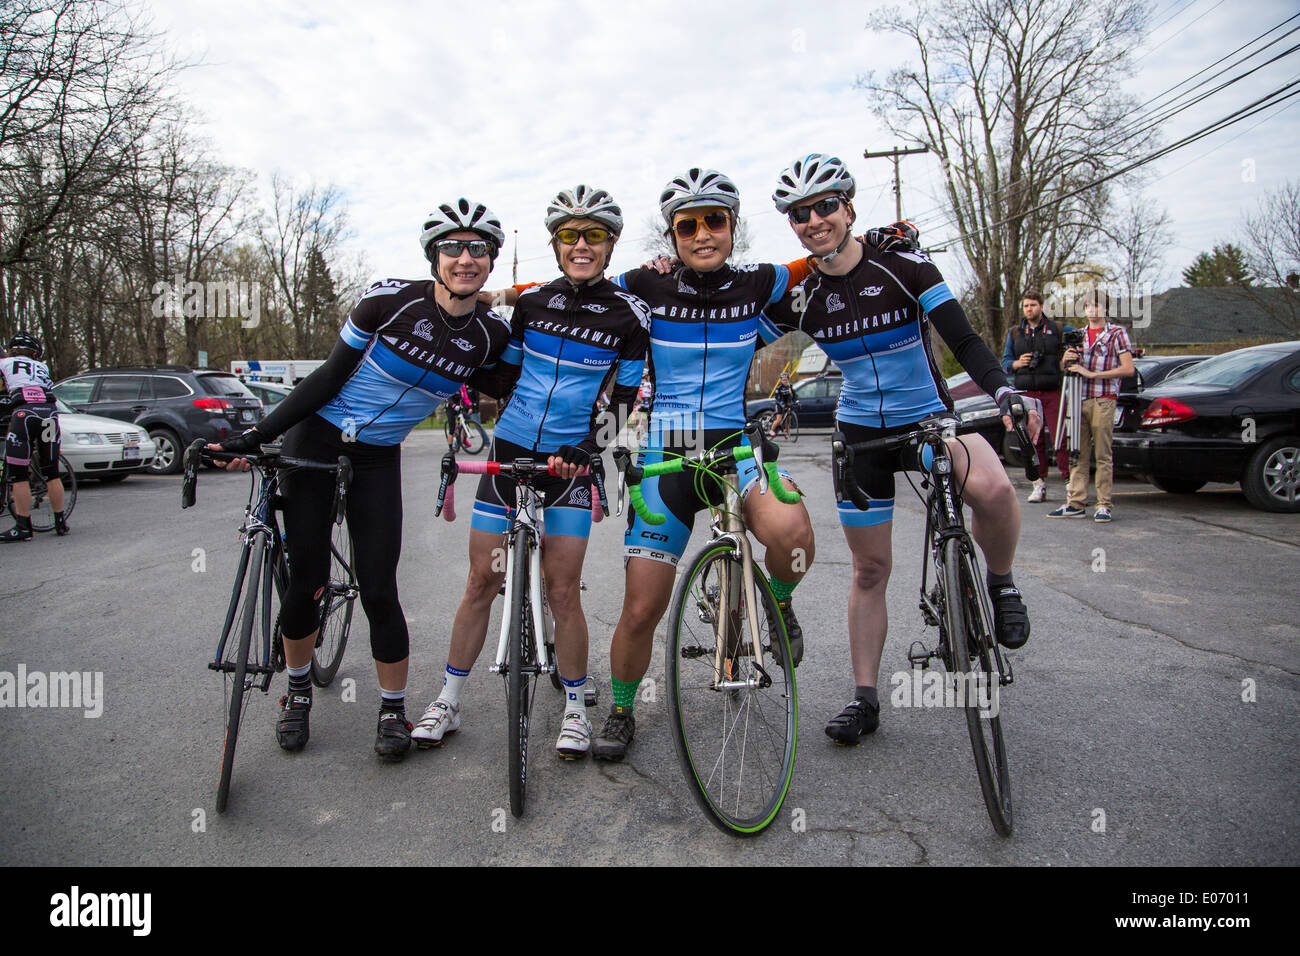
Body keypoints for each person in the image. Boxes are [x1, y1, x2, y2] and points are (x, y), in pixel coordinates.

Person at [491, 168, 819, 762]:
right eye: (687, 225)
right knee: (642, 608)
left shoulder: (758, 281)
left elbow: (818, 261)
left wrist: (884, 240)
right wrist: (498, 296)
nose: (701, 234)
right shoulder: (641, 284)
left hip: (732, 449)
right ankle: (620, 709)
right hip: (666, 454)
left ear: (732, 227)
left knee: (794, 532)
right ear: (672, 234)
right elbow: (572, 282)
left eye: (713, 221)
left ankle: (780, 603)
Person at [213, 198, 515, 761]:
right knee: (305, 580)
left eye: (478, 248)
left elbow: (535, 358)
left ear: (491, 261)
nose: (464, 258)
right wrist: (259, 436)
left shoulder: (491, 336)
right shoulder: (387, 301)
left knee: (380, 588)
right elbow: (327, 376)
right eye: (452, 246)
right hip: (318, 438)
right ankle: (297, 691)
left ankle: (393, 709)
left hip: (378, 456)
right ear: (434, 257)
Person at [763, 153, 1041, 744]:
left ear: (849, 207)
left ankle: (1002, 581)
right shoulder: (802, 295)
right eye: (799, 214)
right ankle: (865, 698)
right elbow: (732, 329)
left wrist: (1004, 391)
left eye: (826, 207)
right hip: (862, 434)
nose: (814, 220)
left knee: (992, 489)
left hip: (929, 420)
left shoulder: (904, 263)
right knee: (870, 569)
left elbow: (963, 339)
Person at [413, 185, 650, 759]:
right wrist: (454, 379)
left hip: (568, 467)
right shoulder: (532, 305)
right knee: (479, 582)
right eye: (569, 235)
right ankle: (447, 699)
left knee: (562, 590)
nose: (581, 245)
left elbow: (623, 399)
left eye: (594, 234)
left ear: (611, 243)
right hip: (509, 455)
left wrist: (591, 450)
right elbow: (506, 376)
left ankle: (573, 707)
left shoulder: (629, 316)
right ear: (555, 242)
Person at [1048, 289, 1134, 522]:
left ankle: (1104, 503)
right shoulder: (1079, 335)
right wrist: (1066, 360)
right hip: (1078, 397)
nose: (1092, 310)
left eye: (1097, 306)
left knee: (1103, 453)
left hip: (1103, 397)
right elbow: (1066, 367)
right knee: (1077, 451)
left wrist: (1093, 374)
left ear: (1105, 308)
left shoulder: (1116, 334)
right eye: (1088, 306)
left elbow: (1128, 368)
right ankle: (1076, 502)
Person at [1002, 291, 1073, 500]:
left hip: (1052, 389)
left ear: (1041, 306)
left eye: (1033, 305)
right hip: (1027, 393)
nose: (1029, 309)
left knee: (1060, 438)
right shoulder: (1015, 333)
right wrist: (1017, 363)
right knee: (1033, 440)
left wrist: (1066, 357)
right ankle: (1038, 483)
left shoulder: (1057, 329)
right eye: (1026, 306)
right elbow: (1005, 363)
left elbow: (1080, 337)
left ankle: (1070, 483)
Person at [1, 332, 68, 541]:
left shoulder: (4, 363)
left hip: (24, 414)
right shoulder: (43, 367)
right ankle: (60, 522)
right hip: (49, 414)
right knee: (52, 473)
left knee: (18, 476)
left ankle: (23, 527)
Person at [768, 371, 798, 438]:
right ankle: (771, 430)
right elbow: (777, 397)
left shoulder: (790, 386)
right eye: (783, 380)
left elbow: (794, 395)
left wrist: (797, 401)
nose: (785, 381)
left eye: (786, 380)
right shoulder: (779, 387)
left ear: (788, 379)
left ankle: (786, 431)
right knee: (779, 419)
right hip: (779, 404)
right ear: (781, 380)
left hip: (787, 403)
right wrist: (781, 403)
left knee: (788, 418)